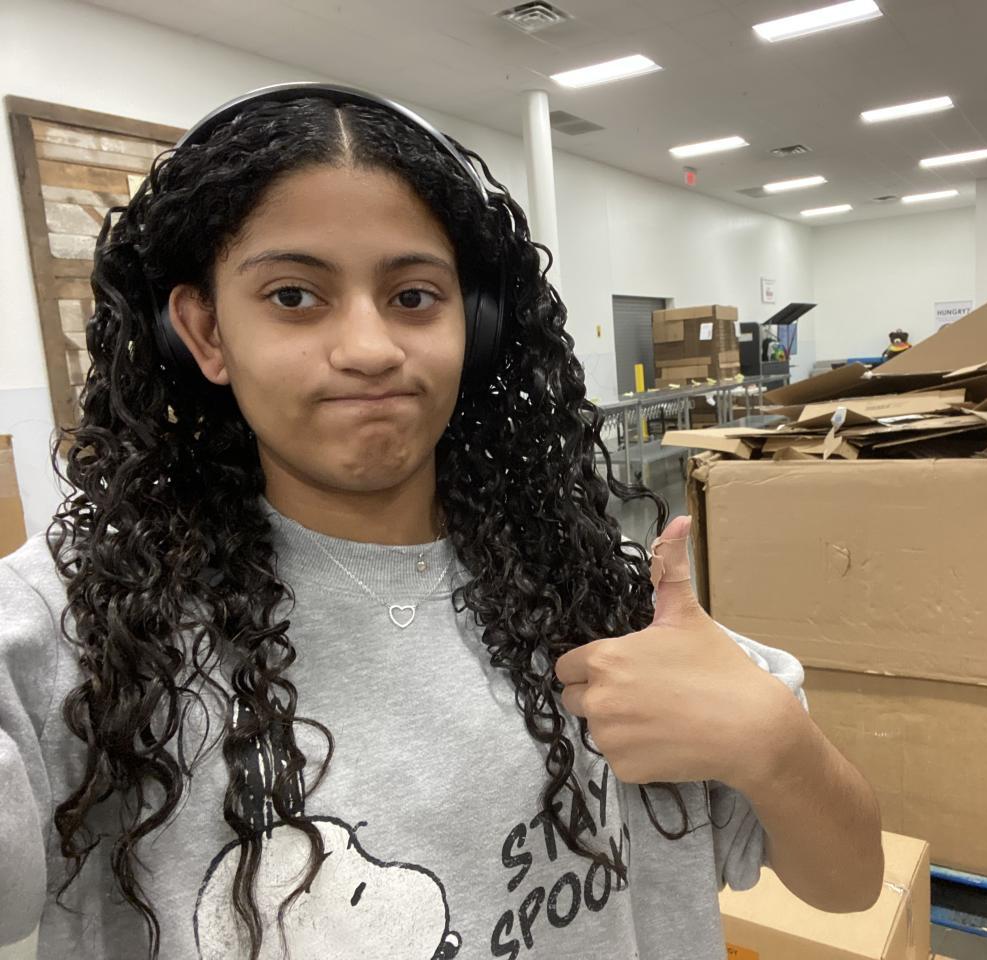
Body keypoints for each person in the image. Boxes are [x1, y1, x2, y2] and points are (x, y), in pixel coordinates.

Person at [0, 83, 883, 959]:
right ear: (206, 332)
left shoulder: (596, 590)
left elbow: (848, 883)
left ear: (478, 323)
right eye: (294, 296)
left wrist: (774, 743)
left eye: (413, 296)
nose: (369, 349)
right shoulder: (85, 627)